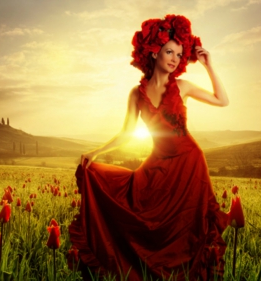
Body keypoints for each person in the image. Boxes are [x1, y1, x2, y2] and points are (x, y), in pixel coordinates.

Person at [68, 14, 229, 281]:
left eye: (179, 54)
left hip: (189, 164)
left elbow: (222, 100)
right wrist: (96, 152)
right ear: (153, 52)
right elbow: (126, 132)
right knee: (144, 216)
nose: (175, 59)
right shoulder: (136, 93)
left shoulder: (182, 86)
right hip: (157, 164)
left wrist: (209, 65)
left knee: (186, 226)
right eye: (169, 51)